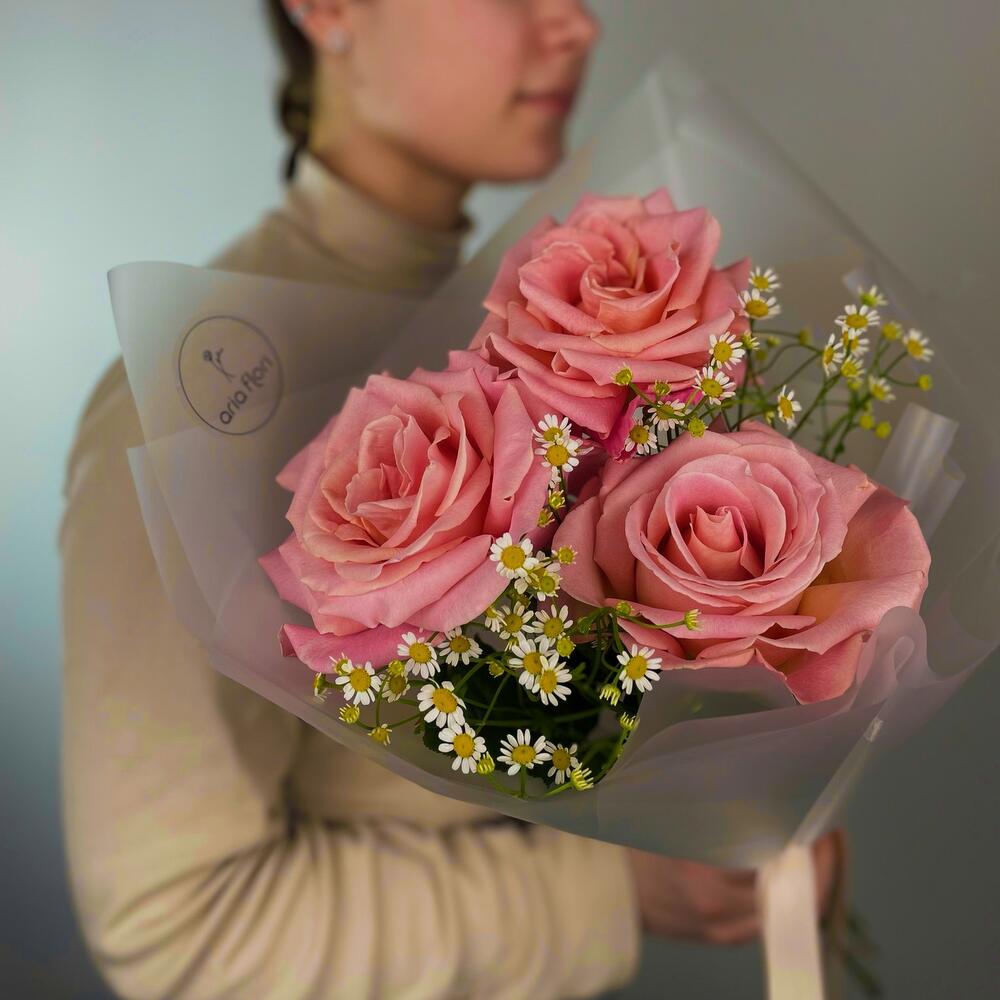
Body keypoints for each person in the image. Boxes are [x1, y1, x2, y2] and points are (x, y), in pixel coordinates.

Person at [59, 1, 847, 997]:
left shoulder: (565, 336)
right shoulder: (174, 417)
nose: (575, 24)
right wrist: (604, 893)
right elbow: (176, 926)